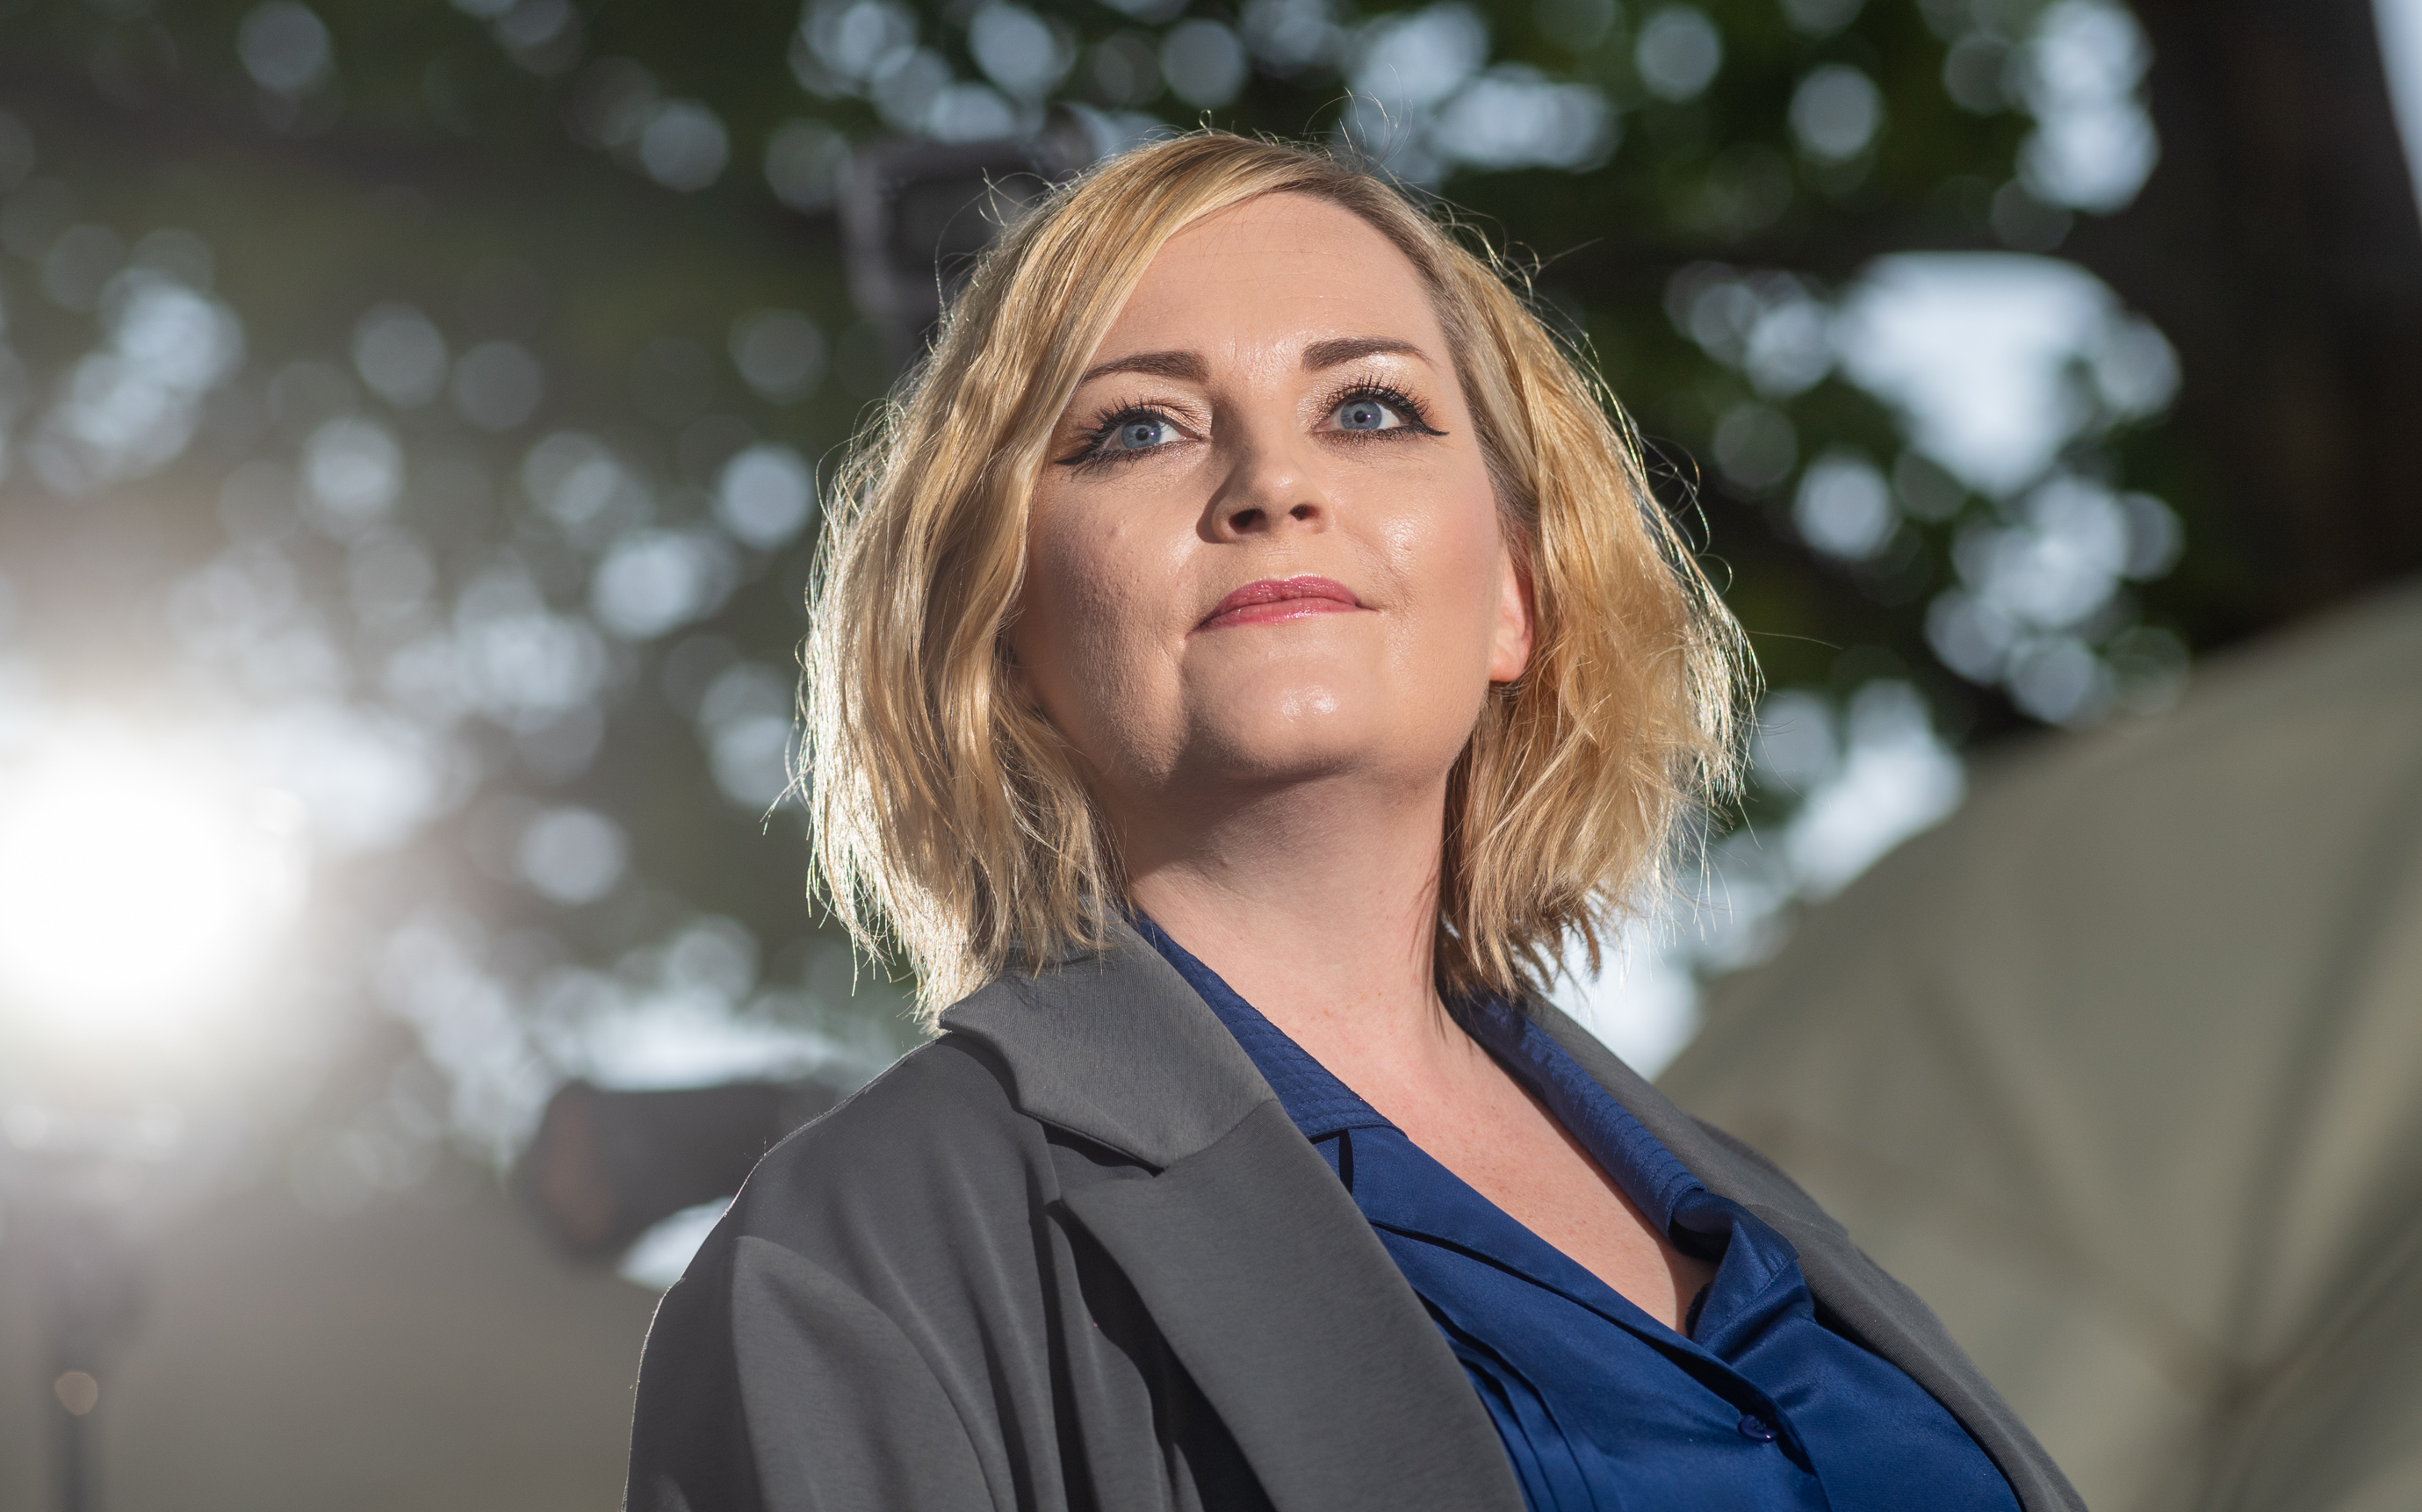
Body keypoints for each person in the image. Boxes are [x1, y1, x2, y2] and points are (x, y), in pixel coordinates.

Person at [624, 133, 2081, 1512]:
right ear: (1004, 633)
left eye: (1368, 408)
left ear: (1515, 591)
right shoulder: (861, 1257)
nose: (1275, 483)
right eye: (1137, 428)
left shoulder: (1754, 1215)